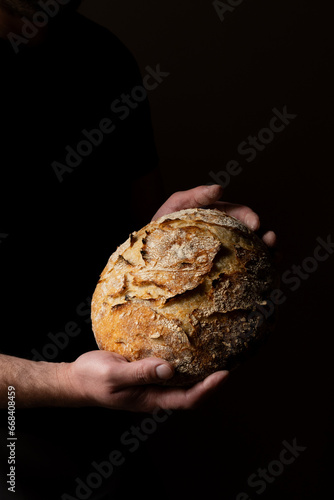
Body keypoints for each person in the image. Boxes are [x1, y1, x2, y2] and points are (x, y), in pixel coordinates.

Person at [0, 1, 276, 499]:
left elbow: (139, 215)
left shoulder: (102, 57)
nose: (37, 26)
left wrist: (176, 242)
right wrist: (64, 382)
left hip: (111, 387)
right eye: (15, 8)